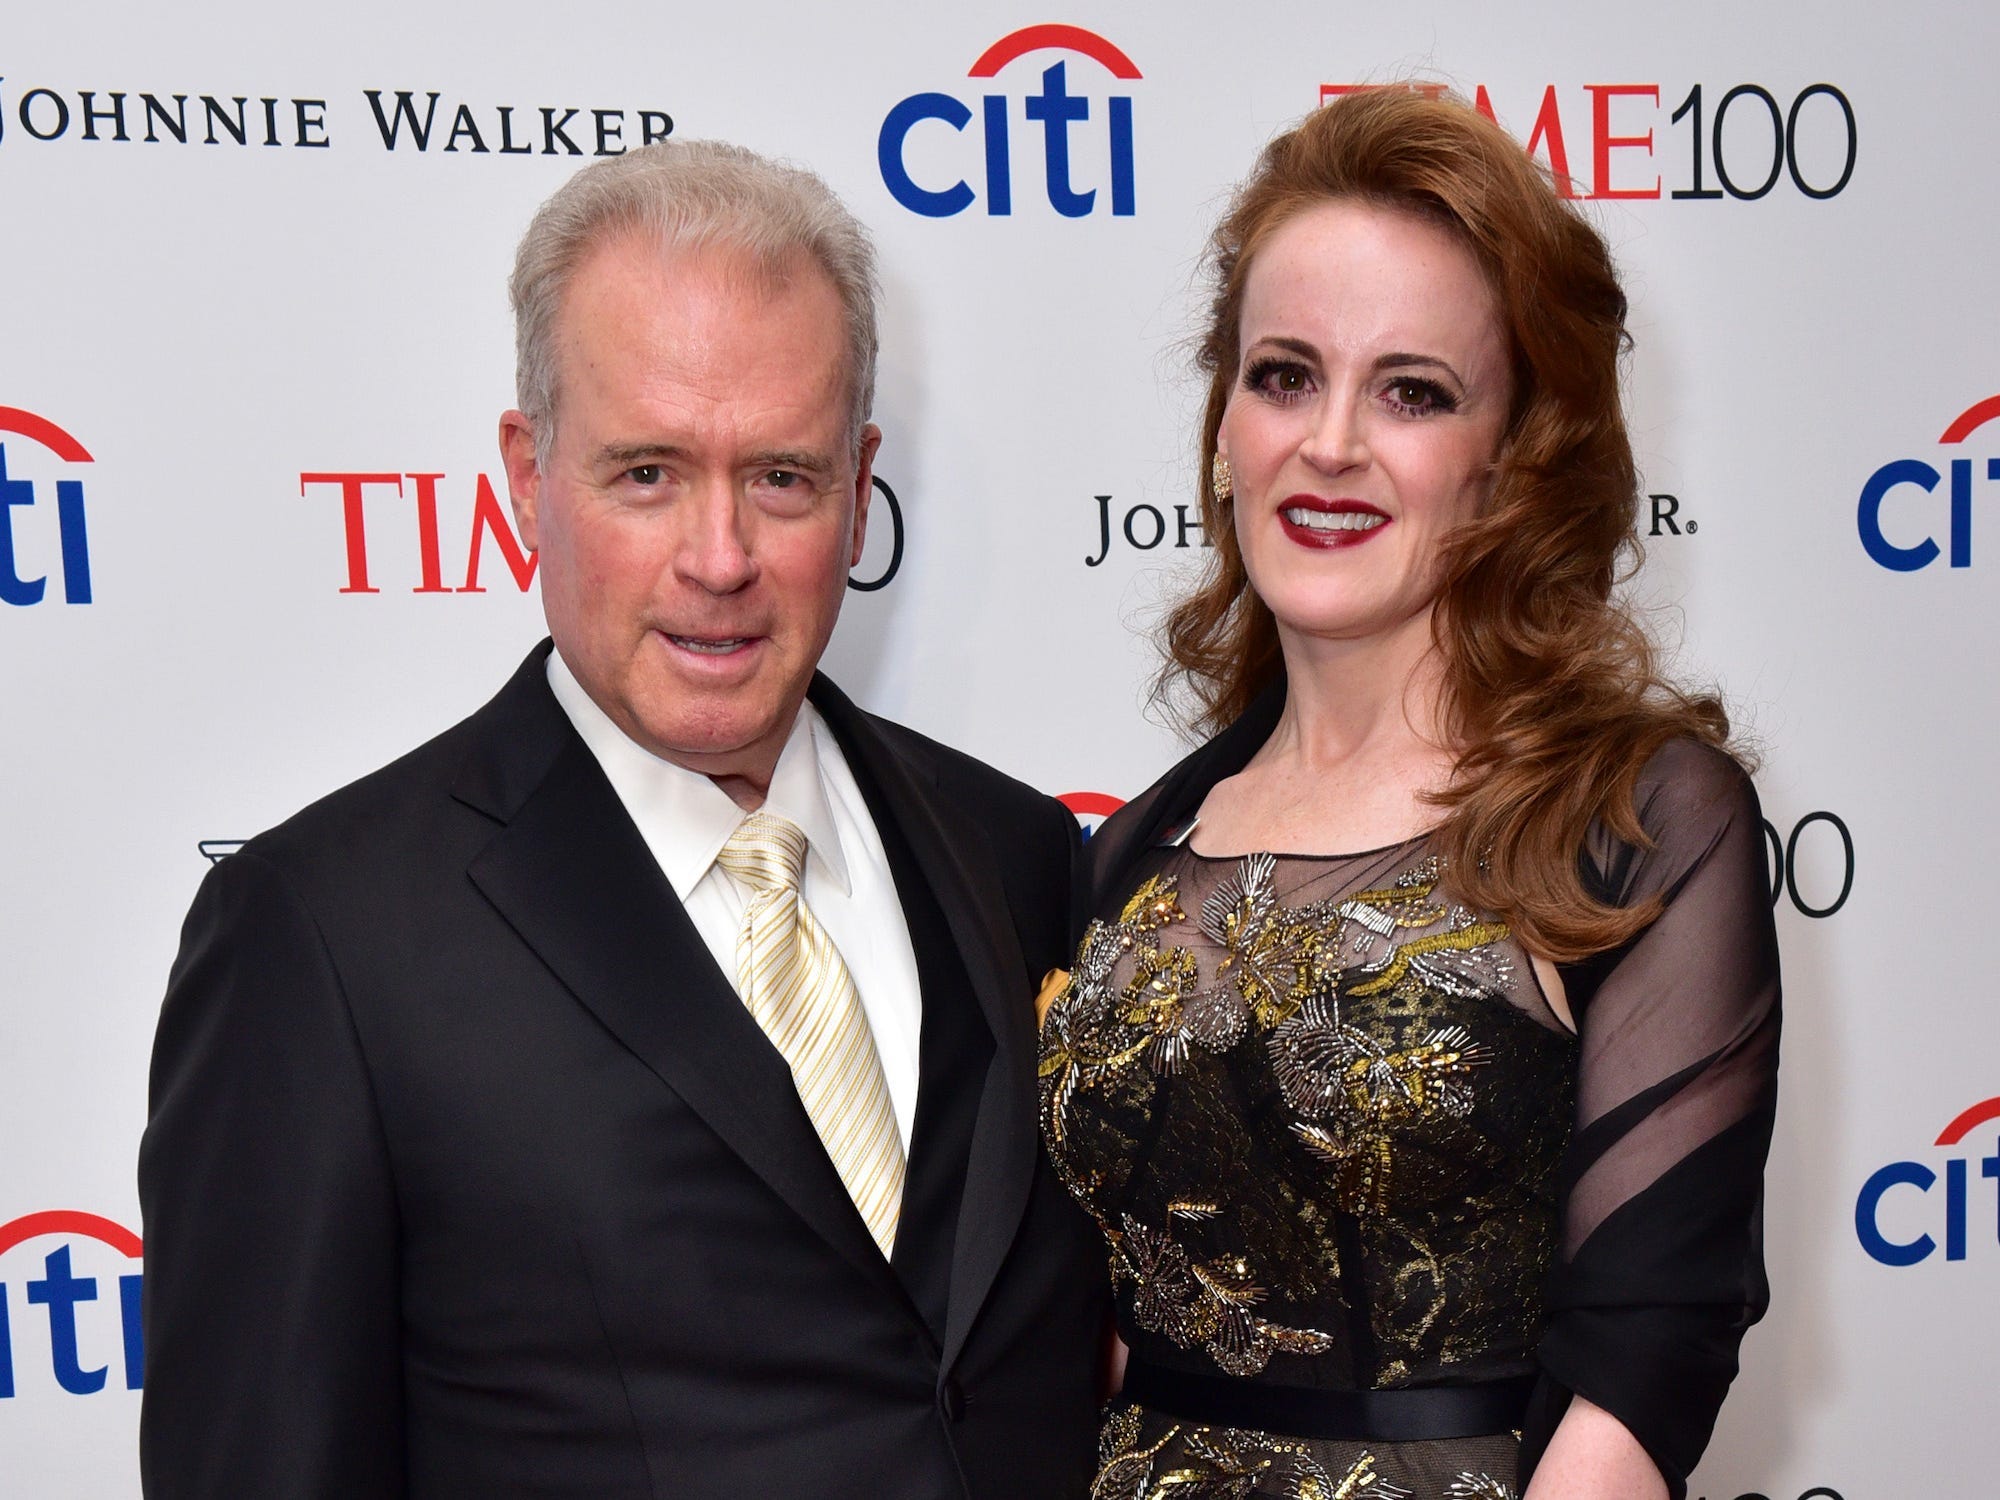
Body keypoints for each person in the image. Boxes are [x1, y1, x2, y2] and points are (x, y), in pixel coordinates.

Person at [138, 140, 1105, 1499]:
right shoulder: (323, 941)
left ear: (860, 475)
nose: (719, 558)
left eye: (783, 477)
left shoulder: (1016, 855)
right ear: (527, 474)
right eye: (646, 474)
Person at [1039, 88, 1780, 1500]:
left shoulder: (1634, 825)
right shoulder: (1139, 849)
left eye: (1412, 391)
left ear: (1515, 454)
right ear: (1224, 424)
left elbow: (1645, 1363)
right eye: (1283, 374)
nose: (1330, 444)